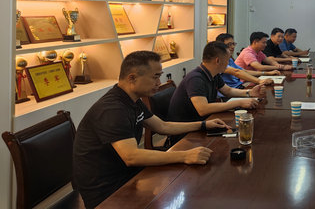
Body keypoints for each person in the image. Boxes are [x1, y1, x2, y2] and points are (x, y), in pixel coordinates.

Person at [73, 51, 229, 208]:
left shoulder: (132, 100)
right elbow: (131, 156)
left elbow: (162, 126)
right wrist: (185, 155)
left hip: (128, 175)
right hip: (107, 191)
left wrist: (202, 125)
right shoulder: (112, 109)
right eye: (155, 77)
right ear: (132, 78)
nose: (159, 82)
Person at [169, 42, 267, 124]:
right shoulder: (195, 78)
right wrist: (239, 102)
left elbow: (228, 91)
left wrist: (249, 92)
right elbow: (203, 109)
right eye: (228, 60)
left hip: (205, 121)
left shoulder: (214, 74)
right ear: (218, 60)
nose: (229, 63)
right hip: (188, 129)